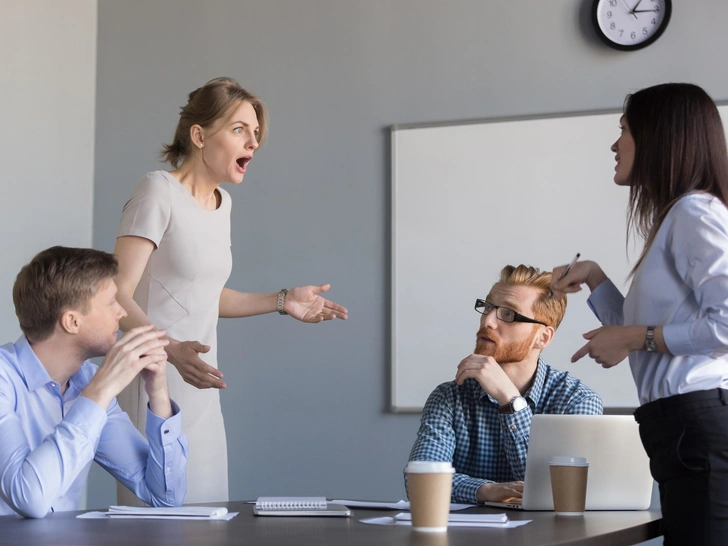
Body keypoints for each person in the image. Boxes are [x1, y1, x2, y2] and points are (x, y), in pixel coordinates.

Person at [113, 77, 348, 504]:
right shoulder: (156, 191)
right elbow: (115, 293)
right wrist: (169, 348)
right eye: (240, 129)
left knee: (208, 518)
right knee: (157, 523)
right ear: (198, 135)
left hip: (201, 389)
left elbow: (203, 294)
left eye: (256, 133)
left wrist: (282, 301)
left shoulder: (223, 204)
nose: (253, 142)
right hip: (154, 382)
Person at [550, 83, 728, 545]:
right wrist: (593, 277)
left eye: (624, 130)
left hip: (697, 423)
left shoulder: (694, 213)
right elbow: (637, 330)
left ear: (659, 136)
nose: (615, 144)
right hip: (679, 428)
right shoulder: (676, 218)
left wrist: (635, 339)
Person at [0, 246, 187, 518]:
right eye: (111, 302)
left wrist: (157, 391)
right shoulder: (6, 378)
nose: (122, 312)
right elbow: (30, 499)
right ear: (72, 321)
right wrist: (99, 393)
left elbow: (165, 496)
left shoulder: (87, 382)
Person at [406, 265, 602, 505]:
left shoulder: (577, 401)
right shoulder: (449, 397)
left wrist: (510, 401)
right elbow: (421, 482)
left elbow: (560, 494)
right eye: (488, 307)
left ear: (543, 337)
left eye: (508, 314)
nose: (488, 321)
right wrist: (486, 490)